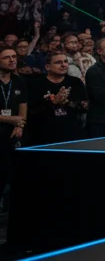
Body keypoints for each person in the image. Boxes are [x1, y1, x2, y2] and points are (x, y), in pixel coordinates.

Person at [25, 51, 87, 146]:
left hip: (71, 134)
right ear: (47, 67)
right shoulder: (36, 84)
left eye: (65, 61)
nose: (63, 65)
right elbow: (32, 111)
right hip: (44, 136)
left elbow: (85, 107)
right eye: (58, 62)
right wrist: (53, 102)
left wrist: (67, 102)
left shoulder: (75, 82)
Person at [0, 47, 28, 204]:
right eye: (6, 57)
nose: (12, 60)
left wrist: (20, 125)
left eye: (14, 57)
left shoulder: (18, 81)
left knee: (11, 173)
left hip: (12, 135)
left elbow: (23, 108)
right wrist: (10, 120)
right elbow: (14, 117)